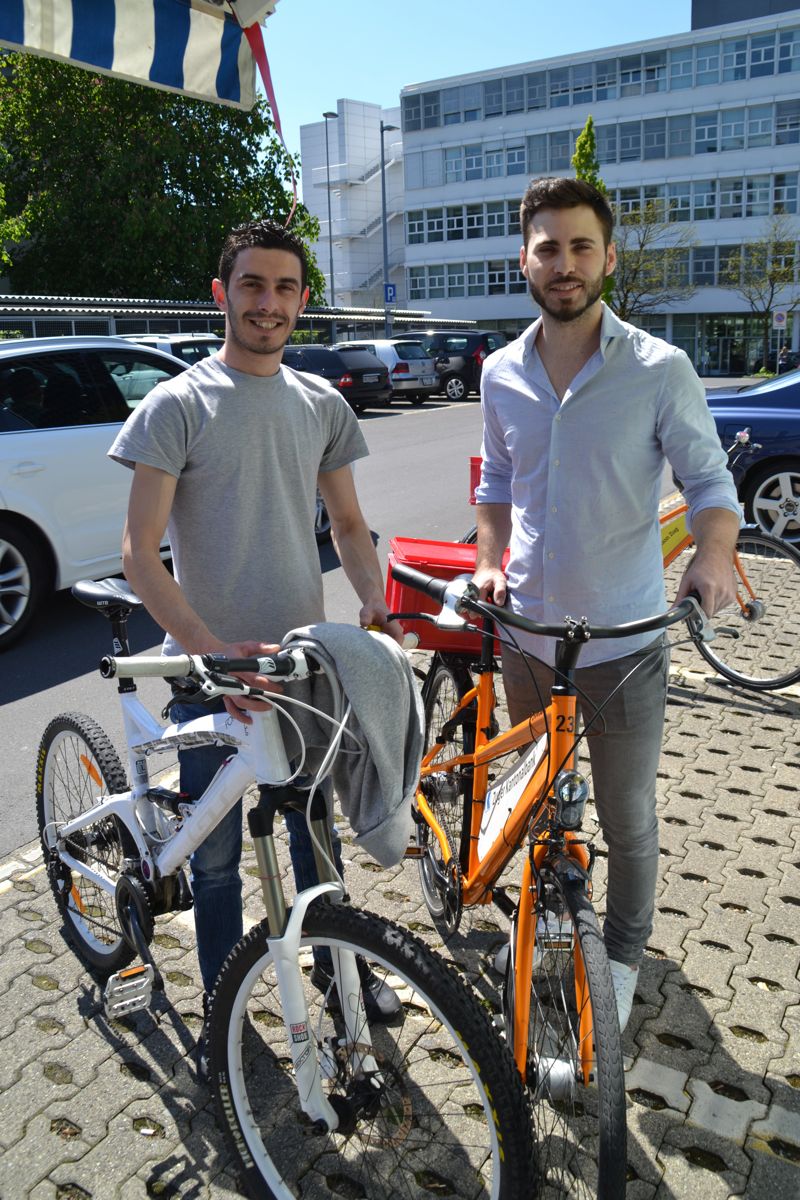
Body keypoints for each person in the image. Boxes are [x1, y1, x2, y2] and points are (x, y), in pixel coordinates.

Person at [109, 218, 402, 1076]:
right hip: (208, 677)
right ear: (220, 294)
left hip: (301, 675)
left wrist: (375, 616)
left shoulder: (322, 404)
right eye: (251, 285)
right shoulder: (178, 404)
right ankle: (221, 1006)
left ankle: (338, 973)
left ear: (303, 301)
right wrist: (209, 655)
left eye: (283, 288)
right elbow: (138, 552)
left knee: (317, 842)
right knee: (218, 864)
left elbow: (348, 525)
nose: (267, 303)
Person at [473, 177, 741, 1033]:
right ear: (524, 257)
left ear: (609, 258)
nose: (564, 264)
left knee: (627, 820)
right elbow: (498, 483)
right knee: (536, 802)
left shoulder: (661, 369)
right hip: (524, 636)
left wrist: (714, 552)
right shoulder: (498, 372)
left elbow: (707, 480)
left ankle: (621, 956)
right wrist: (485, 558)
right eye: (547, 247)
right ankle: (551, 923)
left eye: (581, 247)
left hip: (625, 640)